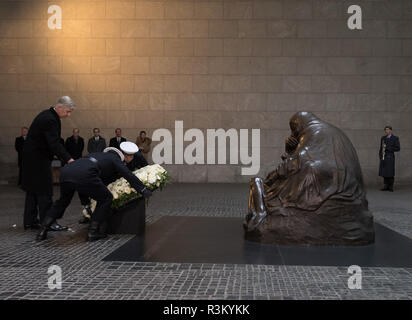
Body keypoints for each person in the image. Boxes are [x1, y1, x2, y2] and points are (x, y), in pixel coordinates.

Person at [36, 142, 153, 242]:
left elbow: (82, 184)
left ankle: (43, 230)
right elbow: (128, 175)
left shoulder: (98, 155)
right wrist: (143, 189)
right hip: (85, 174)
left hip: (67, 171)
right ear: (128, 157)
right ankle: (93, 231)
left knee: (62, 201)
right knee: (106, 198)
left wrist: (86, 203)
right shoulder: (115, 159)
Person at [21, 96, 75, 231]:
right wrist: (69, 159)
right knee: (45, 191)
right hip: (38, 159)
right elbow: (54, 143)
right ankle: (48, 222)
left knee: (33, 191)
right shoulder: (50, 119)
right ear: (60, 107)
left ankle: (30, 221)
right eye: (68, 111)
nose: (68, 115)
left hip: (31, 159)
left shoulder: (47, 115)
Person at [379, 125, 400, 192]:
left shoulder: (395, 138)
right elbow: (381, 148)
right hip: (384, 157)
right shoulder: (383, 138)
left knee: (390, 172)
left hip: (390, 157)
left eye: (388, 129)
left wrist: (388, 148)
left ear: (390, 130)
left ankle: (391, 186)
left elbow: (398, 148)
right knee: (384, 172)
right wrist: (380, 155)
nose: (387, 131)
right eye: (386, 130)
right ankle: (386, 186)